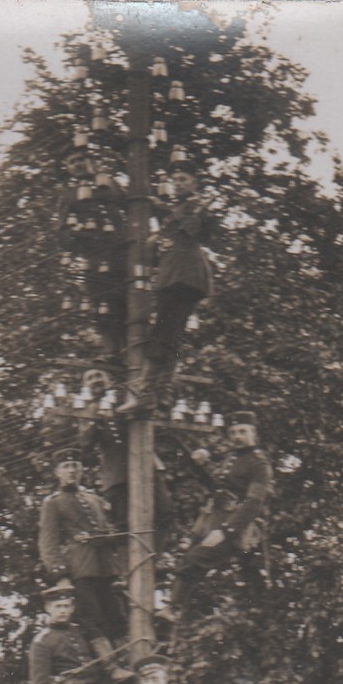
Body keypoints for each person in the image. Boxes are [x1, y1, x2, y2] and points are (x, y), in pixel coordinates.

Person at [118, 160, 213, 417]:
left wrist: (161, 211)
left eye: (184, 178)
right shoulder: (178, 210)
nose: (179, 183)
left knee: (162, 336)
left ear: (194, 182)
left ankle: (147, 394)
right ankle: (162, 393)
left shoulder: (195, 206)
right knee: (170, 337)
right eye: (175, 179)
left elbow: (189, 227)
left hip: (183, 277)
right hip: (175, 277)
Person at [159, 411, 274, 620]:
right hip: (211, 520)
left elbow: (254, 503)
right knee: (185, 560)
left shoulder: (259, 464)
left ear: (254, 433)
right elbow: (218, 488)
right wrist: (198, 464)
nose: (237, 436)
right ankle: (173, 609)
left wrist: (226, 532)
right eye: (233, 432)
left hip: (232, 526)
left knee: (192, 560)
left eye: (243, 431)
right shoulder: (233, 457)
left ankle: (173, 609)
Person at [38, 448, 128, 674]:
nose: (72, 471)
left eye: (76, 466)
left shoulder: (92, 499)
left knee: (117, 616)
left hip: (106, 567)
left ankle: (130, 661)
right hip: (81, 568)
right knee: (92, 618)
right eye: (66, 467)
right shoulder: (53, 502)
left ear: (81, 471)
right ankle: (112, 667)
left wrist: (110, 537)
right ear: (57, 472)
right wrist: (61, 576)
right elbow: (48, 541)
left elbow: (108, 531)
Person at [78, 368, 174, 562]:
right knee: (122, 526)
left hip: (147, 465)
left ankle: (155, 558)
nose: (96, 380)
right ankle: (125, 572)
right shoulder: (87, 410)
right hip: (116, 475)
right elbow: (85, 445)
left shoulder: (124, 395)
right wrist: (97, 419)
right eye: (90, 378)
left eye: (99, 375)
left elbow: (148, 403)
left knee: (165, 512)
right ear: (85, 386)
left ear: (109, 378)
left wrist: (119, 409)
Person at [57, 150, 127, 361]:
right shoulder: (68, 195)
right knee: (100, 301)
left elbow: (133, 206)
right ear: (68, 168)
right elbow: (61, 231)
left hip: (122, 250)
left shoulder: (109, 183)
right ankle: (112, 351)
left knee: (129, 297)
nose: (78, 164)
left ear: (93, 162)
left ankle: (132, 348)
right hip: (94, 255)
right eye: (72, 161)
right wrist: (76, 239)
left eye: (82, 159)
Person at [28, 585, 119, 684]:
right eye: (58, 606)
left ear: (72, 608)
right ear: (47, 608)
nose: (63, 610)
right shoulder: (42, 641)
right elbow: (39, 682)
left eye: (66, 606)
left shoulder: (81, 630)